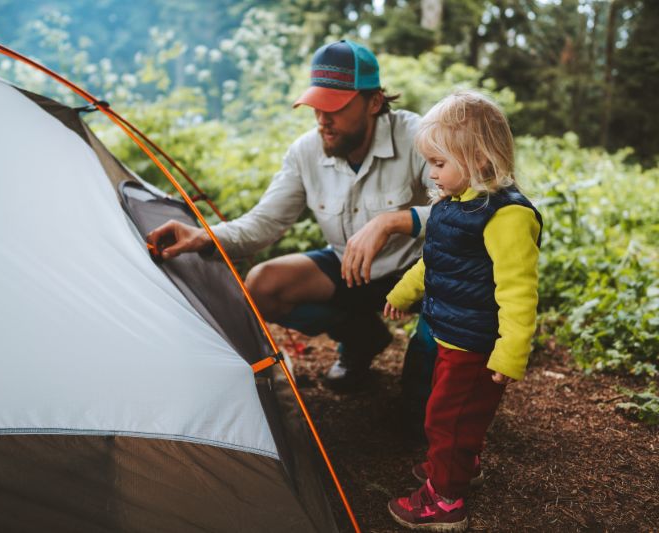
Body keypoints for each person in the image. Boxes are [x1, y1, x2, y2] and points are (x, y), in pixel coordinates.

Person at [147, 39, 434, 392]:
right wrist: (204, 235)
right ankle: (362, 338)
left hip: (418, 268)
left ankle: (425, 373)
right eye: (317, 106)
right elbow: (265, 223)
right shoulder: (305, 151)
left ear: (374, 102)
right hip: (348, 268)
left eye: (336, 107)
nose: (322, 119)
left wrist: (394, 220)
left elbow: (469, 210)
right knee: (263, 284)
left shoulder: (419, 137)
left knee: (423, 389)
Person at [383, 90, 542, 532]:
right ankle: (458, 466)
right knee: (456, 412)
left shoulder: (506, 216)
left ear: (479, 158)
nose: (431, 174)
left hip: (476, 342)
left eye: (439, 163)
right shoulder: (454, 206)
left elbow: (519, 291)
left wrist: (511, 353)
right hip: (450, 333)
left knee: (446, 417)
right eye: (430, 162)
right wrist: (403, 293)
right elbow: (434, 261)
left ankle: (445, 500)